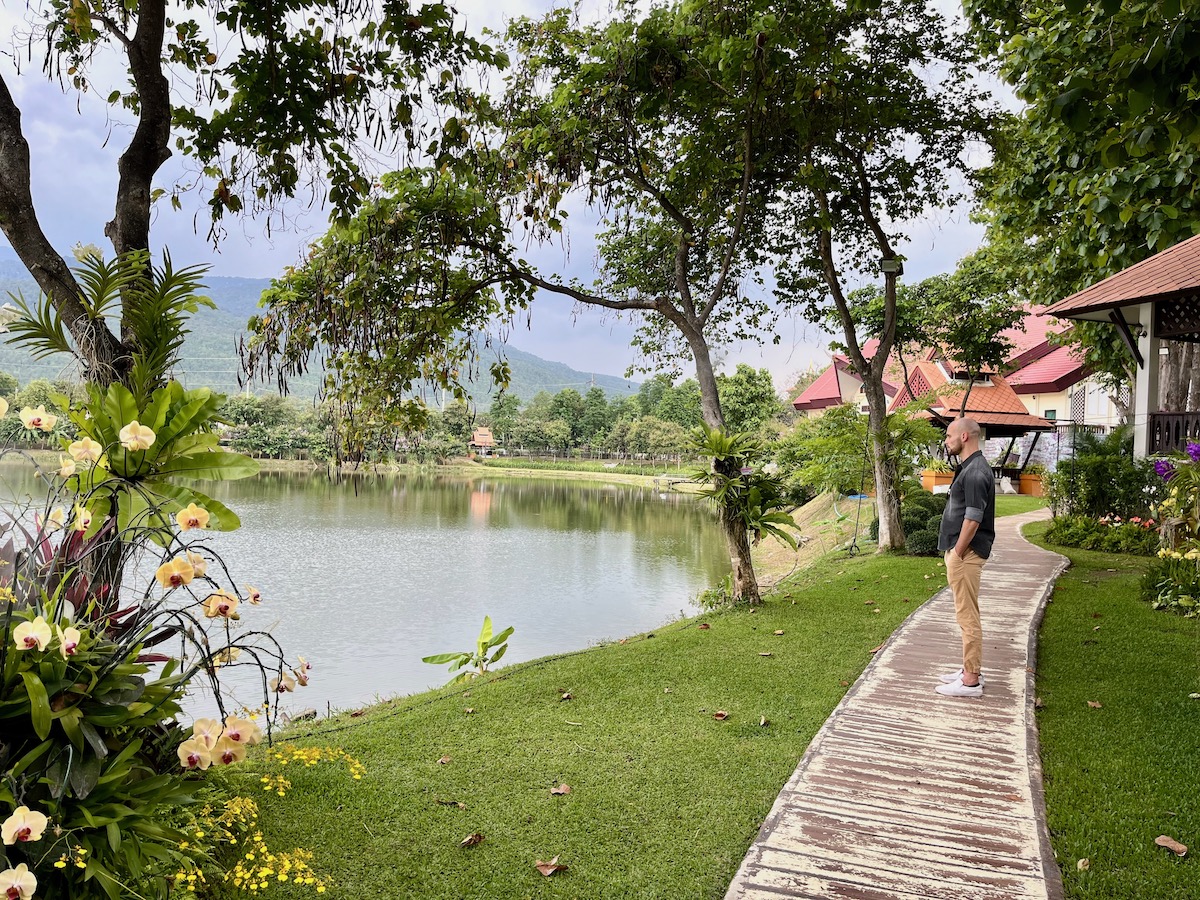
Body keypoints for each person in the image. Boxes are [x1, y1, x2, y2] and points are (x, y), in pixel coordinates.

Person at [934, 416, 995, 698]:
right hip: (963, 553)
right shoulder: (971, 467)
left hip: (967, 555)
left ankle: (970, 680)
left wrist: (957, 553)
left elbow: (973, 518)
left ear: (965, 437)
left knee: (967, 616)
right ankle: (968, 669)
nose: (946, 441)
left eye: (949, 436)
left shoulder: (975, 472)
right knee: (966, 613)